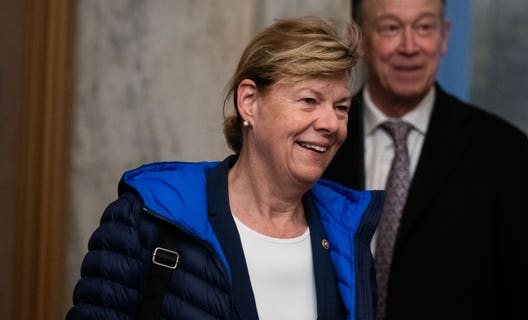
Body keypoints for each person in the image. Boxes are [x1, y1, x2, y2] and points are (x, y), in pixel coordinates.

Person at [66, 16, 384, 320]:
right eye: (309, 101)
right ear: (249, 101)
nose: (331, 123)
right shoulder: (147, 217)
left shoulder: (348, 238)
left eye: (340, 107)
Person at [323, 0, 528, 319]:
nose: (410, 47)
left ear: (444, 36)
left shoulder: (500, 151)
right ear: (360, 39)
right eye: (391, 27)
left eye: (424, 27)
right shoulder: (320, 138)